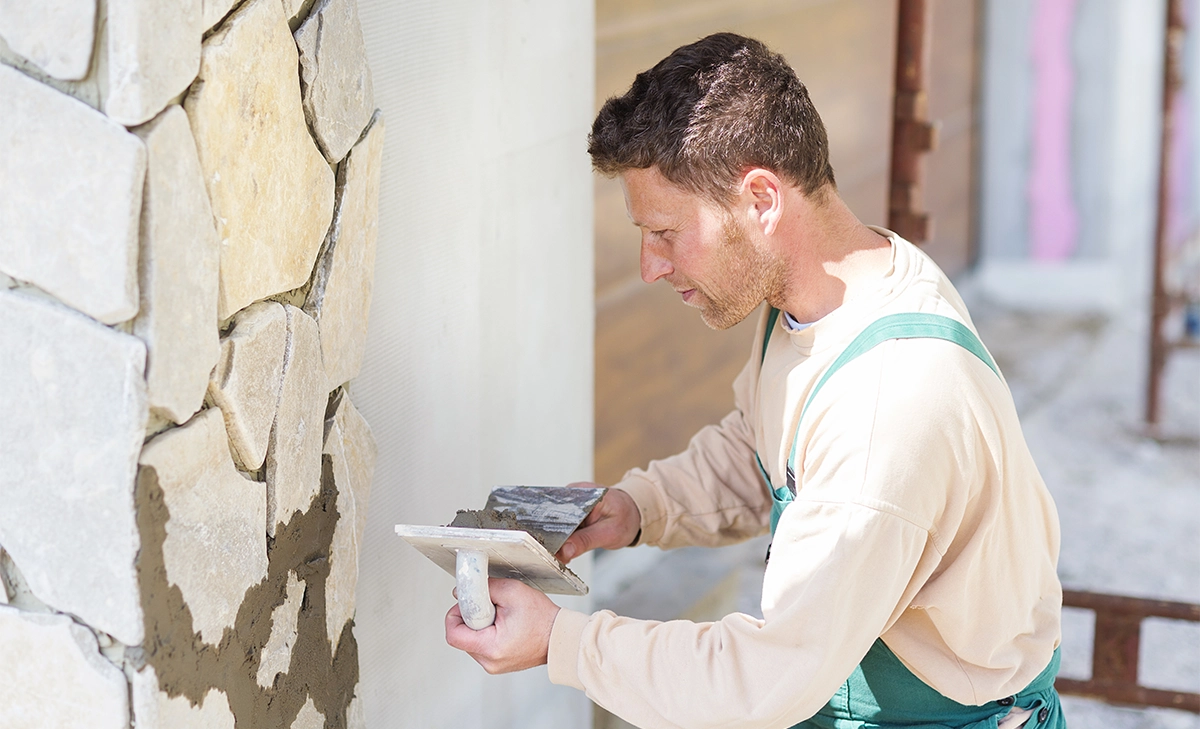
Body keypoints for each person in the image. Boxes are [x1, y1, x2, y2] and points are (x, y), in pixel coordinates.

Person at [445, 32, 1065, 729]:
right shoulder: (828, 295)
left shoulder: (887, 406)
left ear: (762, 199)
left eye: (666, 232)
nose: (650, 267)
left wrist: (563, 641)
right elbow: (765, 447)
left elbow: (764, 681)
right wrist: (640, 505)